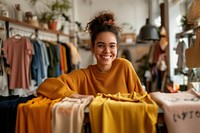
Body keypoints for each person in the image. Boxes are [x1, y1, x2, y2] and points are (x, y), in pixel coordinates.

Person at [36, 10, 144, 99]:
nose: (107, 51)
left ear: (117, 48)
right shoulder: (84, 76)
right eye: (101, 45)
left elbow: (141, 97)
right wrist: (75, 96)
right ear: (92, 48)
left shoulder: (124, 67)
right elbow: (46, 86)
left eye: (112, 46)